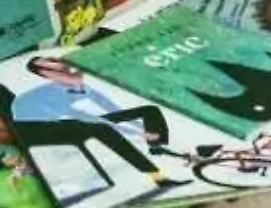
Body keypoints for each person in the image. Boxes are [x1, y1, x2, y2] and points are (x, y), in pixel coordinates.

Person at [10, 57, 189, 189]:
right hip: (31, 130)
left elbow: (112, 109)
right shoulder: (51, 93)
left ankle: (156, 146)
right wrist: (135, 132)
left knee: (149, 110)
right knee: (102, 128)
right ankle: (158, 178)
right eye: (52, 68)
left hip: (61, 121)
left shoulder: (83, 88)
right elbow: (85, 117)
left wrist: (140, 128)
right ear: (46, 75)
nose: (65, 68)